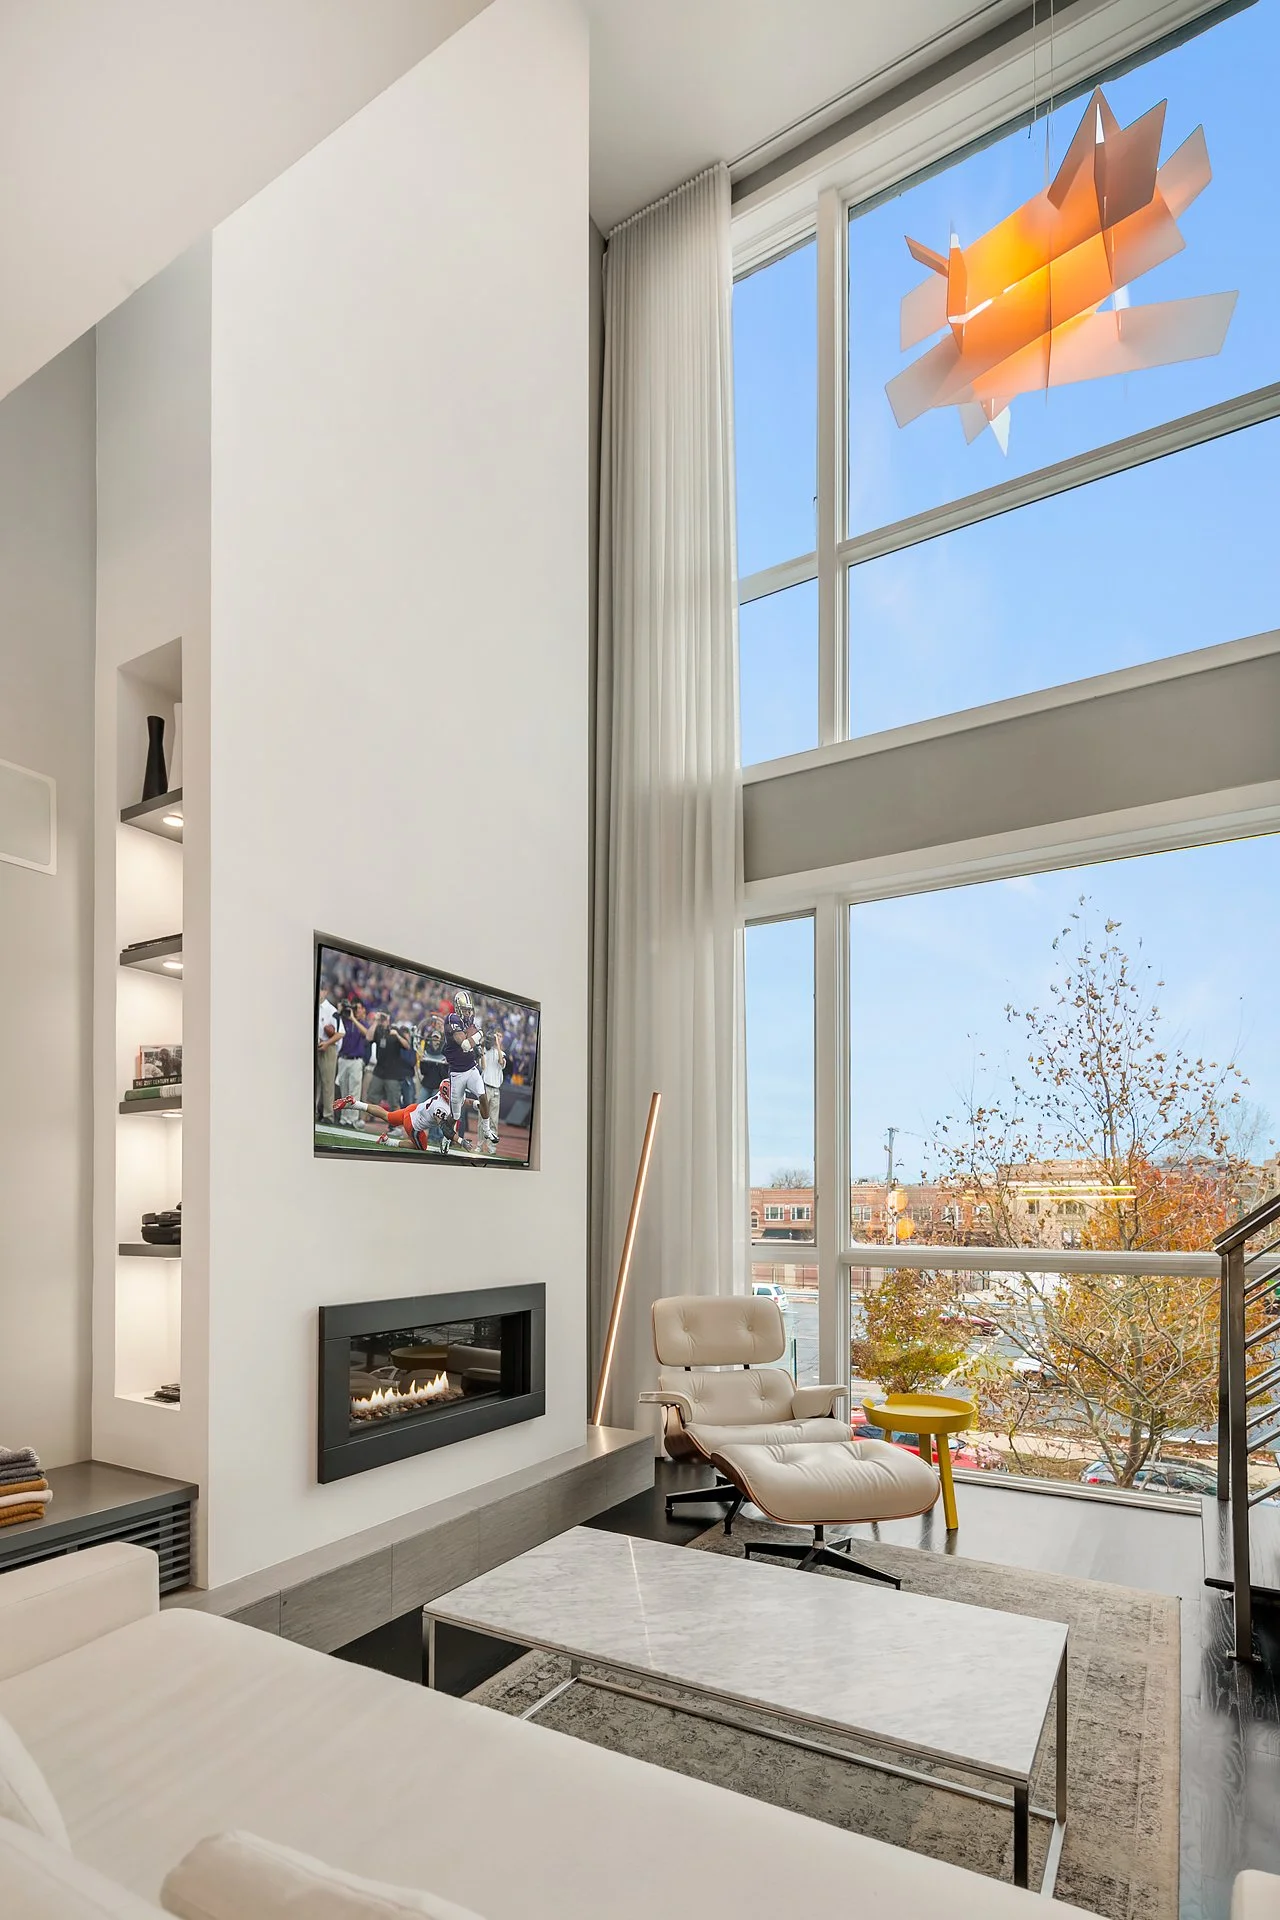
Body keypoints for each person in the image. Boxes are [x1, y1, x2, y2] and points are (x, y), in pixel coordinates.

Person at [335, 1080, 455, 1154]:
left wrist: (474, 1103)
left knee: (386, 1115)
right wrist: (460, 1140)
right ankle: (388, 1142)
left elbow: (464, 1100)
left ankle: (355, 1104)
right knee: (422, 1147)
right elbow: (445, 1128)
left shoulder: (445, 1094)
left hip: (412, 1109)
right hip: (413, 1123)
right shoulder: (441, 1107)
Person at [441, 989, 485, 1153]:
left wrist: (478, 1045)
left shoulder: (469, 1022)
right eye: (466, 1009)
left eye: (470, 1009)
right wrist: (479, 1035)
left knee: (470, 1102)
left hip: (469, 1067)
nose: (469, 1012)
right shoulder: (452, 1018)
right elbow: (465, 1044)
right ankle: (446, 1138)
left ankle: (451, 1137)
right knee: (455, 1112)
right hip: (456, 1071)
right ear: (459, 1008)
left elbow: (475, 1047)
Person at [335, 998, 375, 1127]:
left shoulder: (362, 1023)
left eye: (357, 1008)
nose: (354, 1011)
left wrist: (353, 1019)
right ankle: (343, 1118)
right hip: (343, 1058)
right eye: (354, 1008)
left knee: (354, 1091)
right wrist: (341, 1010)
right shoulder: (343, 1021)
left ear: (362, 1009)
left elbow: (367, 1034)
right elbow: (335, 1022)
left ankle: (351, 1119)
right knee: (343, 1089)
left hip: (356, 1060)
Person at [367, 1013, 413, 1112]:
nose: (383, 1019)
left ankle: (394, 1126)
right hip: (379, 1071)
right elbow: (369, 1037)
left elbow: (407, 1046)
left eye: (385, 1017)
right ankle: (363, 1121)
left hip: (393, 1074)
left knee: (394, 1102)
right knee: (371, 1098)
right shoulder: (378, 1030)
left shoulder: (395, 1030)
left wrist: (397, 1036)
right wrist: (375, 1021)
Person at [315, 982, 343, 1124]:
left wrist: (327, 1043)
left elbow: (340, 1033)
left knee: (327, 1083)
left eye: (320, 990)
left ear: (325, 991)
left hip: (328, 1047)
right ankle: (313, 1112)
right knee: (314, 1082)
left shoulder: (331, 1010)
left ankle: (328, 1115)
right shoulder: (314, 1006)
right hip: (316, 1044)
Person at [480, 1023, 507, 1154]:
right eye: (497, 1036)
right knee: (482, 1119)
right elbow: (483, 1067)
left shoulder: (502, 1053)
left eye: (501, 1036)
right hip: (485, 1088)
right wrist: (483, 1048)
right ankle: (479, 1145)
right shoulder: (486, 1050)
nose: (499, 1038)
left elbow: (501, 1063)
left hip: (496, 1089)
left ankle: (491, 1148)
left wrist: (497, 1044)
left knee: (494, 1121)